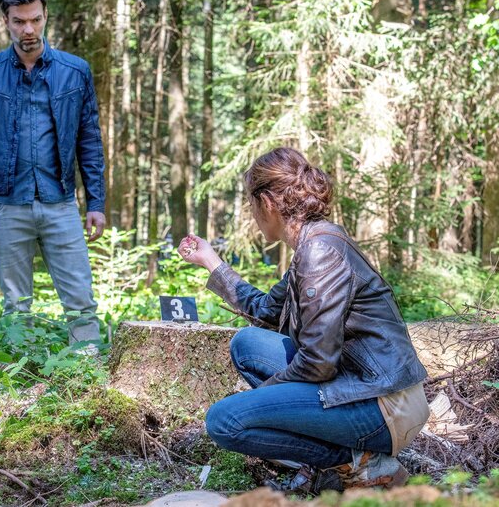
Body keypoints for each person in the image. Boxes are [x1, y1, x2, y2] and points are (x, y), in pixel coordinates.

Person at [178, 147, 429, 491]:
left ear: (266, 202)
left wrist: (262, 397)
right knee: (247, 344)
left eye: (251, 205)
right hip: (362, 386)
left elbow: (317, 364)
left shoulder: (320, 252)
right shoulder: (313, 245)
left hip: (385, 407)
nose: (252, 215)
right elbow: (266, 310)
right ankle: (333, 462)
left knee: (225, 420)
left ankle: (362, 465)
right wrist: (212, 262)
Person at [0, 0, 106, 345]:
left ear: (45, 16)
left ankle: (86, 370)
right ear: (5, 21)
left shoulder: (75, 71)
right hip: (7, 202)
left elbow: (89, 139)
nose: (28, 30)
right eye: (19, 21)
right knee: (16, 303)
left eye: (35, 20)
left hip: (60, 200)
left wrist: (96, 202)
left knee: (80, 300)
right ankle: (21, 377)